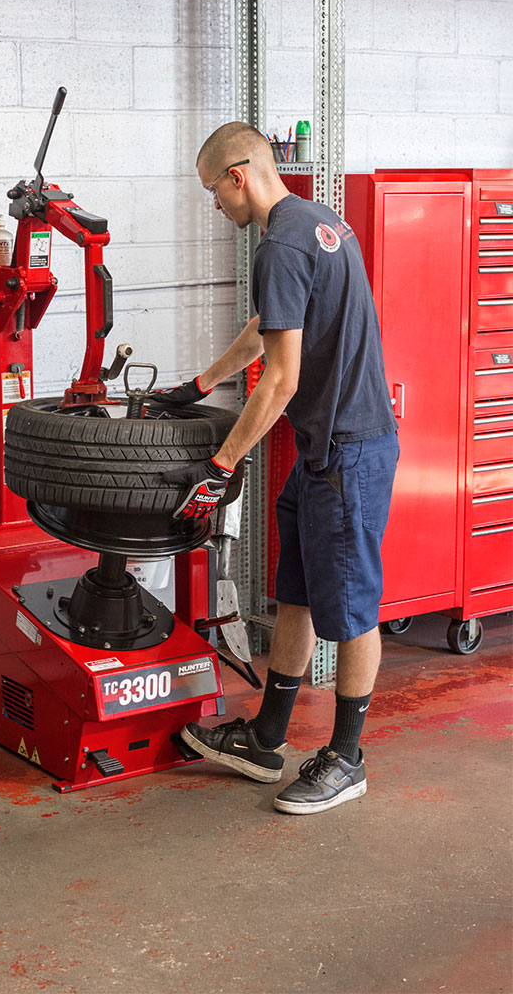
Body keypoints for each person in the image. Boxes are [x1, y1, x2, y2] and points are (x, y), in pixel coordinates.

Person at [153, 122, 399, 815]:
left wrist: (223, 463)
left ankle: (346, 759)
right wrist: (199, 384)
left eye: (213, 192)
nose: (215, 207)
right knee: (296, 592)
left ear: (239, 175)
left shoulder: (281, 246)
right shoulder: (315, 222)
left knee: (350, 613)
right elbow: (269, 329)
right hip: (328, 450)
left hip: (347, 452)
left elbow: (281, 378)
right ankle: (265, 737)